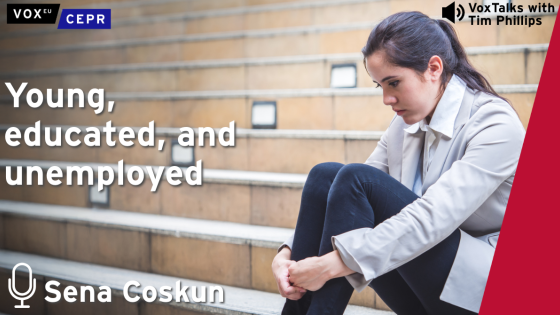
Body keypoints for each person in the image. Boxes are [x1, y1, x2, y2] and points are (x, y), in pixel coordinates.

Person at [271, 11, 525, 315]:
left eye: (394, 83)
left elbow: (433, 218)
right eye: (380, 86)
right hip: (427, 283)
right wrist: (286, 255)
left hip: (485, 290)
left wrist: (331, 265)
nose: (387, 99)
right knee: (326, 176)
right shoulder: (404, 125)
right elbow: (340, 198)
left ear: (433, 68)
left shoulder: (495, 124)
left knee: (356, 180)